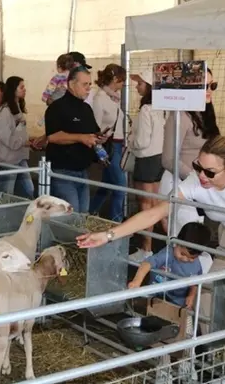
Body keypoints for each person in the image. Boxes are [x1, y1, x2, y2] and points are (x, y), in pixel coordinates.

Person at [78, 133, 225, 332]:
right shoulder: (194, 182)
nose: (202, 176)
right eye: (198, 166)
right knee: (207, 292)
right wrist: (108, 235)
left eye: (210, 172)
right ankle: (212, 350)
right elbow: (154, 214)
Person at [159, 68, 220, 237]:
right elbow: (168, 159)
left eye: (212, 85)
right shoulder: (179, 116)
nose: (209, 90)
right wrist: (198, 177)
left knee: (191, 238)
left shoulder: (205, 113)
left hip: (196, 185)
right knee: (185, 240)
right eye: (204, 86)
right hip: (178, 182)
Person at [44, 66, 105, 212]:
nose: (88, 88)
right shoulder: (56, 108)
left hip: (83, 171)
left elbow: (93, 132)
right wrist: (81, 138)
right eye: (84, 84)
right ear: (71, 84)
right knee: (71, 215)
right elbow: (53, 136)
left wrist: (99, 139)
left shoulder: (86, 109)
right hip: (63, 172)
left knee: (82, 215)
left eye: (89, 84)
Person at [128, 70, 168, 261]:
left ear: (150, 87)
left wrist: (130, 141)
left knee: (145, 205)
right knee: (157, 204)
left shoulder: (146, 109)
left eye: (140, 83)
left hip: (146, 160)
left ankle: (146, 249)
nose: (137, 86)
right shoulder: (165, 107)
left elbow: (142, 141)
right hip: (160, 158)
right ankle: (173, 243)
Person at [128, 222, 212, 310]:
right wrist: (136, 281)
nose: (185, 259)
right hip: (155, 293)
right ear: (176, 243)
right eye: (182, 254)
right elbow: (147, 263)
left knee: (179, 315)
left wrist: (191, 296)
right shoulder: (167, 253)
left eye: (192, 258)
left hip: (177, 301)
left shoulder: (197, 266)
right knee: (146, 310)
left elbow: (195, 282)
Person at [89, 64, 128, 222]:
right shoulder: (100, 99)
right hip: (109, 146)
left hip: (117, 145)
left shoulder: (113, 98)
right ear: (115, 79)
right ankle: (117, 222)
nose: (123, 84)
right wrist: (99, 149)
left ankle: (90, 213)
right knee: (120, 186)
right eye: (122, 80)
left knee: (107, 185)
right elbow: (95, 126)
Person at [0, 76, 35, 199]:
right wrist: (24, 142)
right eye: (21, 87)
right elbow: (4, 135)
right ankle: (1, 211)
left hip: (19, 156)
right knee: (6, 192)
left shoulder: (17, 108)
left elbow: (17, 133)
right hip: (10, 159)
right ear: (13, 89)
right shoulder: (6, 111)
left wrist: (28, 140)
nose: (24, 89)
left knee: (29, 190)